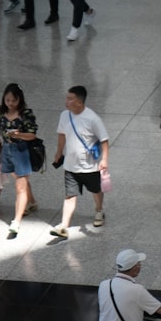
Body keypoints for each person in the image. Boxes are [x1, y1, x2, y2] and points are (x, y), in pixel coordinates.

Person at [49, 86, 110, 240]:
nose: (66, 101)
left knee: (96, 191)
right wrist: (59, 152)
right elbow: (62, 134)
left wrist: (104, 159)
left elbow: (104, 140)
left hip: (90, 166)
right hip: (70, 165)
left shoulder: (93, 118)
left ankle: (99, 210)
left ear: (80, 102)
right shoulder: (64, 115)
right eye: (66, 98)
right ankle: (64, 226)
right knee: (70, 195)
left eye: (70, 99)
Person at [0, 83, 40, 240]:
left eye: (13, 100)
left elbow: (32, 135)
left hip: (22, 151)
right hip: (8, 151)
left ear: (19, 100)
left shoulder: (26, 114)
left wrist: (19, 135)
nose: (10, 103)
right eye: (7, 99)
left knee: (20, 187)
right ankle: (32, 202)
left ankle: (16, 221)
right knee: (18, 179)